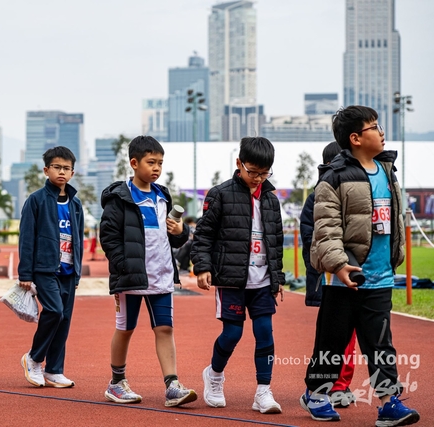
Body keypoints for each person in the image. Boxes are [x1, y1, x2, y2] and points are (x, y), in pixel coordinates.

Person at [300, 106, 420, 425]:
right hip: (344, 279)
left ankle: (389, 403)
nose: (381, 132)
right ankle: (316, 394)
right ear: (355, 138)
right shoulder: (334, 177)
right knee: (332, 343)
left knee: (380, 344)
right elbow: (326, 228)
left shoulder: (388, 171)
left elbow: (393, 222)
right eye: (374, 127)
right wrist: (339, 265)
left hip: (380, 278)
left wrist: (395, 257)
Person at [99, 135, 197, 407]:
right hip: (131, 278)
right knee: (125, 329)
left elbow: (174, 239)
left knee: (165, 328)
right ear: (134, 163)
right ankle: (116, 382)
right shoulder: (119, 198)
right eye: (151, 162)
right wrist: (123, 266)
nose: (156, 168)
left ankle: (172, 386)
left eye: (160, 163)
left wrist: (181, 231)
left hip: (161, 276)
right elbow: (108, 238)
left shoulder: (163, 196)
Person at [191, 136, 285, 414]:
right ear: (239, 164)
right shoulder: (219, 194)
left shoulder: (271, 200)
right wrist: (202, 266)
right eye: (252, 171)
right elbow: (203, 235)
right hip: (231, 279)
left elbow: (276, 242)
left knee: (265, 332)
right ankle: (214, 375)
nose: (257, 178)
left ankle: (263, 391)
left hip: (263, 280)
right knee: (232, 333)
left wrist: (277, 278)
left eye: (264, 173)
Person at [18, 146, 84, 388]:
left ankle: (54, 369)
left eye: (66, 168)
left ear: (73, 173)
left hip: (69, 271)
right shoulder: (36, 200)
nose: (61, 172)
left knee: (64, 320)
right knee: (54, 311)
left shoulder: (75, 204)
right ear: (46, 170)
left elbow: (79, 239)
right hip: (45, 269)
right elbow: (26, 238)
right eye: (57, 167)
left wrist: (77, 272)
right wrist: (25, 273)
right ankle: (34, 358)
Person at [300, 141, 357, 409]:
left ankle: (341, 384)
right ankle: (324, 386)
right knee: (331, 335)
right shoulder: (318, 196)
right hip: (330, 276)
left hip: (358, 273)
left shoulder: (360, 189)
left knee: (352, 335)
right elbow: (310, 236)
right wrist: (330, 261)